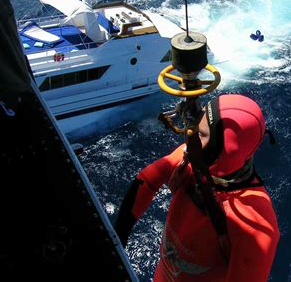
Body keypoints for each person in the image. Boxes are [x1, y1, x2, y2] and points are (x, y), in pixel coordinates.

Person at [114, 94, 280, 281]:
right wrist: (116, 240)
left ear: (225, 150)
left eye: (201, 135)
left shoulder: (254, 225)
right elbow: (146, 181)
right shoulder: (191, 160)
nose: (189, 140)